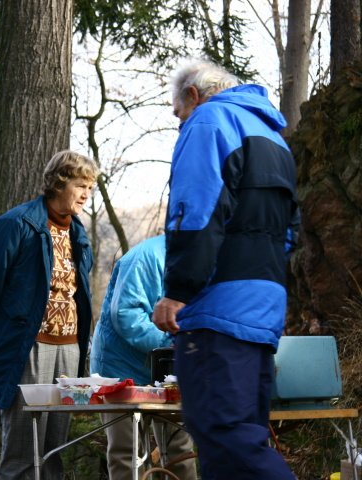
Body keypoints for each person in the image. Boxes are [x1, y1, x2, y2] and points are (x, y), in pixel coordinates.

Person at [153, 58, 299, 479]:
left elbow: (195, 211)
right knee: (236, 443)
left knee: (225, 434)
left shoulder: (208, 121)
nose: (180, 123)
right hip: (264, 307)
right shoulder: (273, 137)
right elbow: (291, 231)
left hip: (219, 310)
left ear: (193, 95)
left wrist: (178, 290)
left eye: (178, 114)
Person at [0, 150, 99, 479]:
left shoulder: (79, 234)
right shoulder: (17, 224)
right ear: (59, 183)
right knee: (23, 449)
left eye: (90, 188)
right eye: (80, 185)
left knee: (55, 450)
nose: (85, 194)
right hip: (28, 348)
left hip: (70, 350)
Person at [90, 234, 197, 480]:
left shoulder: (200, 261)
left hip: (168, 370)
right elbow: (126, 315)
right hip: (121, 368)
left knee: (180, 448)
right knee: (127, 453)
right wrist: (173, 344)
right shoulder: (147, 256)